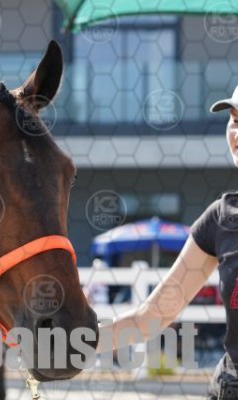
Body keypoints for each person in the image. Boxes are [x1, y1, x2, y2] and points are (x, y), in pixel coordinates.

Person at [100, 87, 238, 399]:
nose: (237, 133)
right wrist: (74, 343)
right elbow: (152, 316)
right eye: (234, 120)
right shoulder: (220, 219)